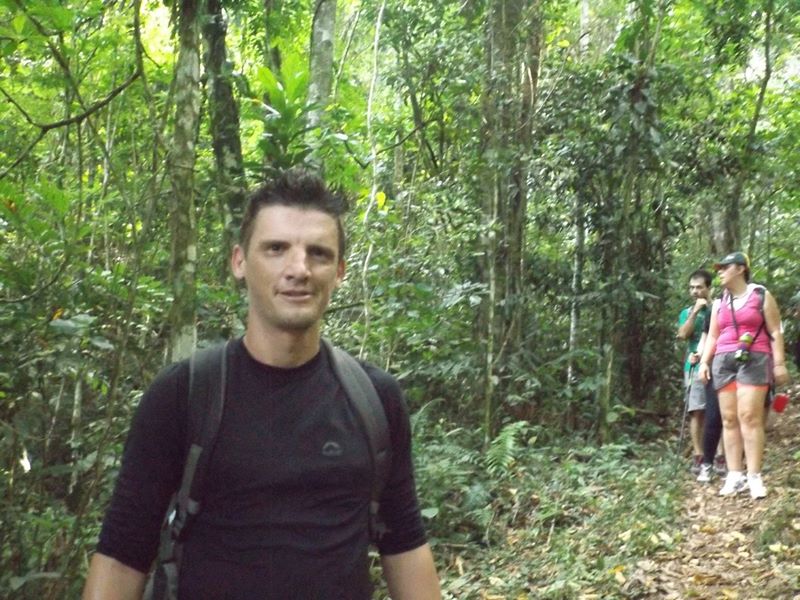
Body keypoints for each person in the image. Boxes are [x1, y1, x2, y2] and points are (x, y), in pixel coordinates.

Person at [82, 169, 441, 599]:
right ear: (239, 261)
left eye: (319, 254)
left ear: (340, 271)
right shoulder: (183, 395)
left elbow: (404, 544)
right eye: (276, 249)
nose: (299, 269)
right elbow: (123, 554)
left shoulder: (374, 400)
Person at [698, 252, 789, 499]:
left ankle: (754, 476)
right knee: (729, 419)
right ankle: (734, 474)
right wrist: (704, 362)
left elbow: (775, 331)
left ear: (740, 269)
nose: (720, 272)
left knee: (749, 416)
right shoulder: (720, 302)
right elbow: (714, 335)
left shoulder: (760, 295)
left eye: (724, 267)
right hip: (723, 360)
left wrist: (779, 363)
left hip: (755, 358)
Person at [676, 269, 717, 474]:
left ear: (709, 288)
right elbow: (682, 334)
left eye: (699, 287)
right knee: (697, 410)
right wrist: (695, 312)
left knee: (718, 411)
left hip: (717, 364)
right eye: (691, 288)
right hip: (693, 366)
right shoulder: (686, 312)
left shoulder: (718, 308)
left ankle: (719, 455)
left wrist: (708, 308)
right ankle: (698, 455)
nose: (695, 291)